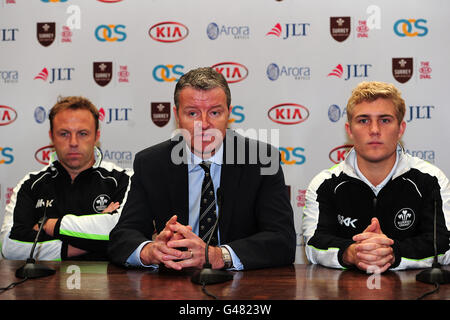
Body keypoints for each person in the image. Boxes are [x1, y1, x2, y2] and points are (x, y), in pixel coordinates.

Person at [108, 67, 296, 270]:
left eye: (215, 112)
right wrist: (150, 251)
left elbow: (282, 241)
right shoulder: (152, 163)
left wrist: (218, 255)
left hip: (244, 287)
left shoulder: (260, 160)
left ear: (229, 114)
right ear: (176, 115)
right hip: (175, 283)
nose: (204, 124)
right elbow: (123, 236)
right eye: (192, 113)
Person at [302, 81, 450, 272]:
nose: (374, 130)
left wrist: (393, 253)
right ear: (349, 130)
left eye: (385, 120)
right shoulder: (324, 184)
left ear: (401, 129)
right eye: (363, 120)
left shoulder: (431, 180)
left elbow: (444, 245)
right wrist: (351, 252)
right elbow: (314, 244)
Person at [0, 96, 132, 261]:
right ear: (52, 136)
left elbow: (125, 234)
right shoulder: (31, 184)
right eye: (64, 134)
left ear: (96, 136)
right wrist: (94, 238)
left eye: (83, 133)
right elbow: (9, 246)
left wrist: (47, 225)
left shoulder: (122, 179)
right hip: (45, 284)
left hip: (109, 285)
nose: (74, 142)